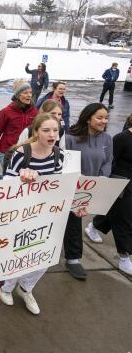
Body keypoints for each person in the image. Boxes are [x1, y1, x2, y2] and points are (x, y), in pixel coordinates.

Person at [0, 114, 65, 315]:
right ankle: (7, 287)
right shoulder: (22, 152)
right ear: (36, 132)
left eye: (55, 130)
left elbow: (59, 184)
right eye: (46, 130)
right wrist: (22, 179)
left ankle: (26, 288)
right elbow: (6, 184)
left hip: (46, 214)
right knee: (19, 252)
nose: (52, 134)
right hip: (22, 213)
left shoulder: (58, 154)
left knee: (44, 257)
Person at [64, 103, 112, 280]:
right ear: (88, 118)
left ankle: (73, 259)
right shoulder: (70, 137)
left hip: (92, 186)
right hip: (72, 184)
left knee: (76, 219)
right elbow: (65, 161)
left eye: (106, 118)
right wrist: (78, 177)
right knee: (65, 219)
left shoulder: (107, 139)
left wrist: (103, 177)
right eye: (99, 117)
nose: (103, 121)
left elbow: (108, 161)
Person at [102, 115, 132, 275]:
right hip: (121, 183)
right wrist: (109, 183)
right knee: (125, 219)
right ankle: (124, 257)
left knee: (114, 213)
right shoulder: (122, 138)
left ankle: (94, 226)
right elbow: (110, 161)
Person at [0, 81, 38, 165]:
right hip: (7, 152)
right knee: (7, 177)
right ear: (18, 95)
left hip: (26, 151)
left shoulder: (34, 111)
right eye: (25, 93)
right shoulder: (6, 112)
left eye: (30, 92)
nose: (29, 95)